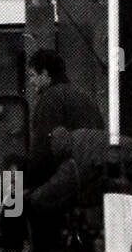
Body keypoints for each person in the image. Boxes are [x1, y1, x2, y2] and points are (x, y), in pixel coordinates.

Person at [26, 48, 105, 182]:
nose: (31, 81)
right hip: (94, 174)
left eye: (32, 75)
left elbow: (42, 148)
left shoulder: (49, 99)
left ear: (45, 74)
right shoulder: (84, 96)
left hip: (66, 178)